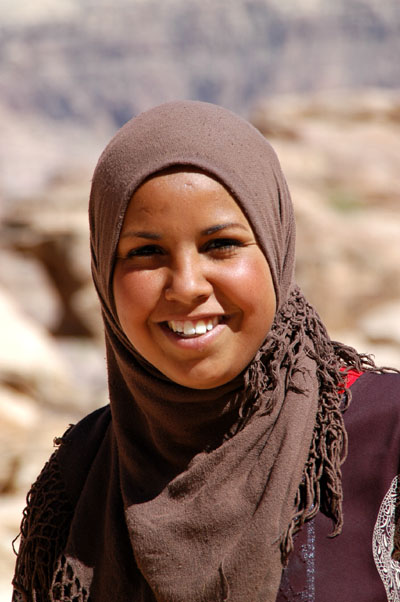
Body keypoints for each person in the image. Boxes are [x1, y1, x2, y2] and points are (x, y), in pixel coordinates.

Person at [12, 100, 400, 602]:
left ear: (275, 245)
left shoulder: (385, 439)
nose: (187, 285)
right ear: (104, 272)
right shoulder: (77, 479)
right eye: (146, 252)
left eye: (221, 245)